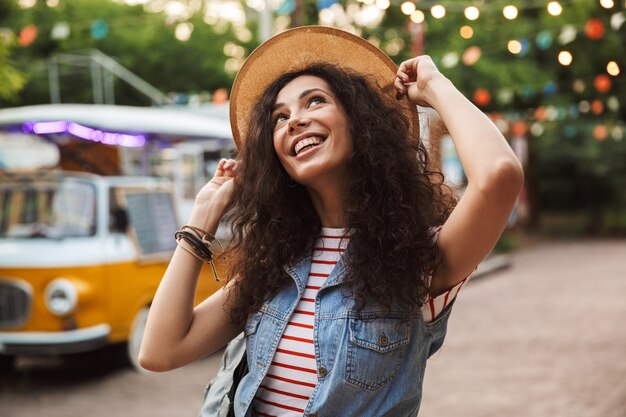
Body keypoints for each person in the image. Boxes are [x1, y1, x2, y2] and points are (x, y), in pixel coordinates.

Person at [139, 26, 523, 417]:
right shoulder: (274, 266)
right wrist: (200, 221)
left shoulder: (421, 260)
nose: (294, 121)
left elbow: (499, 175)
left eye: (315, 102)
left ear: (360, 124)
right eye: (280, 117)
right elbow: (160, 351)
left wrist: (435, 87)